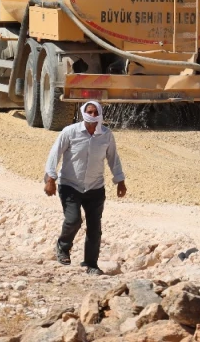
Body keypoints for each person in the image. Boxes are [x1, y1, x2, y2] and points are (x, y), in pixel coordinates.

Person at [43, 101, 127, 275]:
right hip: (70, 185)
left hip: (95, 188)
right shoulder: (70, 132)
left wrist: (120, 180)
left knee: (94, 228)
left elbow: (113, 158)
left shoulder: (106, 135)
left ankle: (90, 264)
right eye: (90, 112)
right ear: (83, 112)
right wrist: (50, 179)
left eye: (96, 112)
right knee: (73, 220)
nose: (93, 115)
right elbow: (55, 154)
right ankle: (63, 247)